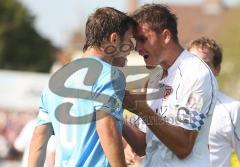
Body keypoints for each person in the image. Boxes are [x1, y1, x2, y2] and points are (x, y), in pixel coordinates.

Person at [28, 7, 136, 167]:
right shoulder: (110, 75)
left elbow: (39, 139)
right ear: (114, 39)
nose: (132, 47)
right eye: (129, 40)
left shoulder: (55, 80)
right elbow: (106, 127)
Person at [123, 4, 217, 166]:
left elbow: (183, 147)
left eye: (142, 39)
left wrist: (142, 109)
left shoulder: (197, 74)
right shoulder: (154, 79)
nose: (137, 48)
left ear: (166, 36)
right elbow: (140, 146)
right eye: (135, 40)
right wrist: (113, 107)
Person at [187, 36, 240, 167]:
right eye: (192, 62)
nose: (197, 69)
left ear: (217, 69)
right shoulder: (171, 103)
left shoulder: (232, 109)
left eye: (205, 64)